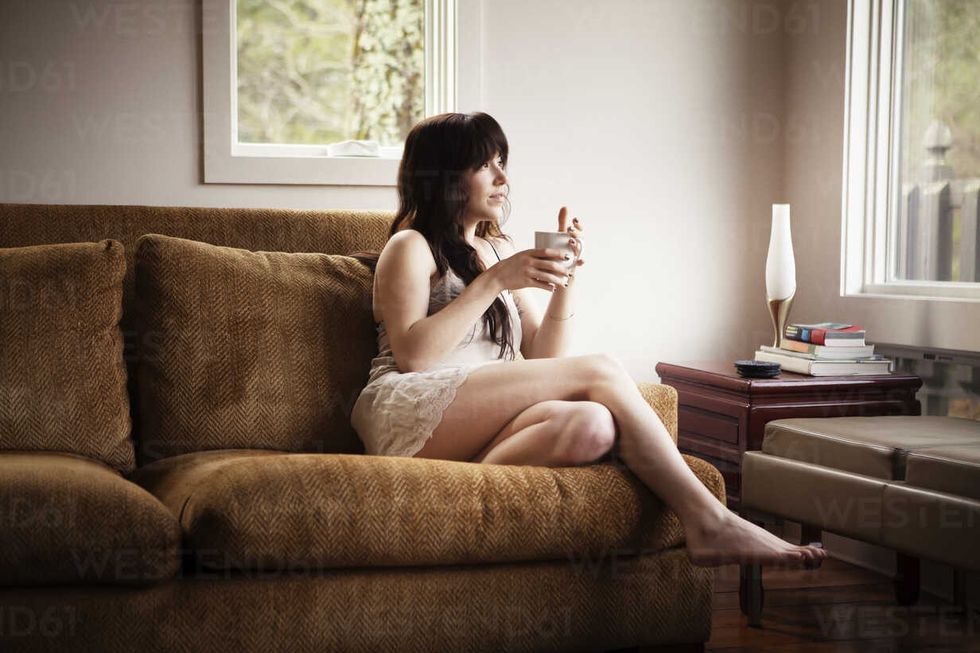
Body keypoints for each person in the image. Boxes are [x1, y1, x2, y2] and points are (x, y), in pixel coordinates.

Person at [349, 112, 827, 568]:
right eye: (484, 165)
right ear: (444, 176)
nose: (502, 179)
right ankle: (710, 519)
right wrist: (494, 282)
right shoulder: (410, 246)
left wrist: (566, 281)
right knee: (600, 369)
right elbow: (413, 355)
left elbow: (544, 355)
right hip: (409, 407)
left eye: (502, 163)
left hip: (475, 411)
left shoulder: (498, 247)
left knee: (593, 425)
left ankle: (469, 485)